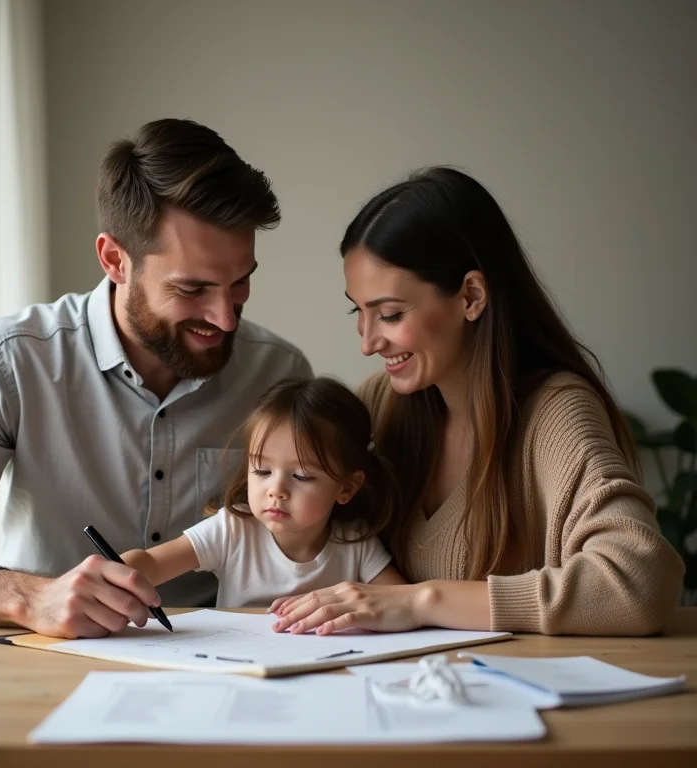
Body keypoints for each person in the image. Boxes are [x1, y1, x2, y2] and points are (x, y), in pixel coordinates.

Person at [0, 118, 312, 638]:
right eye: (193, 288)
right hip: (47, 662)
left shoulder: (279, 376)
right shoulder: (5, 362)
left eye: (240, 281)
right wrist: (30, 597)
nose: (225, 317)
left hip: (227, 661)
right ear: (115, 259)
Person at [270, 167, 684, 637]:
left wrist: (421, 600)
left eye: (389, 314)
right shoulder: (379, 405)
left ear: (471, 296)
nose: (367, 342)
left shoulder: (555, 414)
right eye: (357, 311)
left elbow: (639, 583)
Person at [121, 377, 404, 610]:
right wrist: (120, 570)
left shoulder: (355, 542)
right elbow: (154, 563)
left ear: (345, 488)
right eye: (262, 471)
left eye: (302, 476)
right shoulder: (233, 529)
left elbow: (404, 599)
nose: (276, 491)